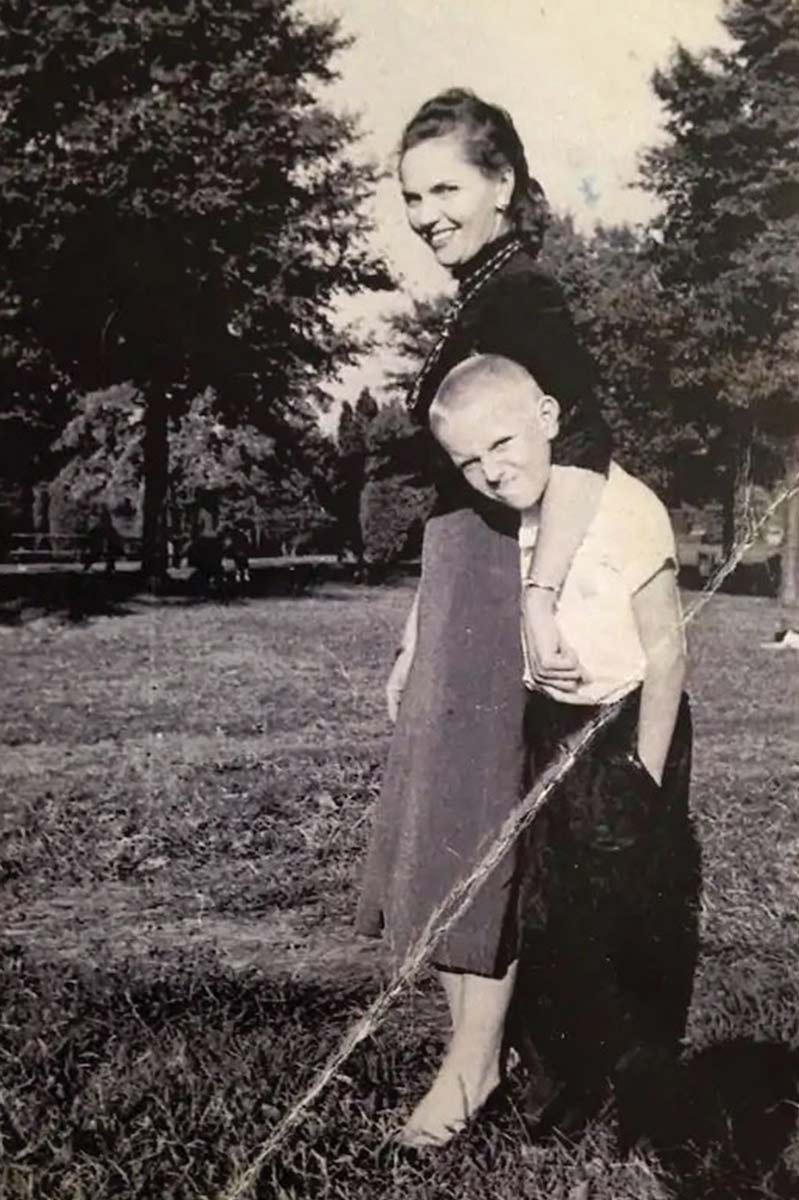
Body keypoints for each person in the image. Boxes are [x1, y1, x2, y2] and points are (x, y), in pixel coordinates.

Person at [355, 88, 612, 1147]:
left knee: (472, 827)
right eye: (411, 196)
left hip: (502, 583)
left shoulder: (522, 301)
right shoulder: (482, 297)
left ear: (502, 183)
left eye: (445, 188)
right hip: (460, 579)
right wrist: (422, 623)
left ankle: (473, 1068)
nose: (423, 213)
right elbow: (460, 484)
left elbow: (584, 452)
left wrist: (541, 598)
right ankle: (477, 1055)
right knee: (445, 819)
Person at [429, 354, 702, 1143]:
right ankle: (556, 1087)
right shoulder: (513, 516)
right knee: (546, 910)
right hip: (553, 726)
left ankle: (646, 1089)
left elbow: (668, 653)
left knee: (634, 908)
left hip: (629, 729)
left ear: (550, 417)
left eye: (503, 445)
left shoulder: (622, 506)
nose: (490, 470)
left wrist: (646, 776)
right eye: (469, 461)